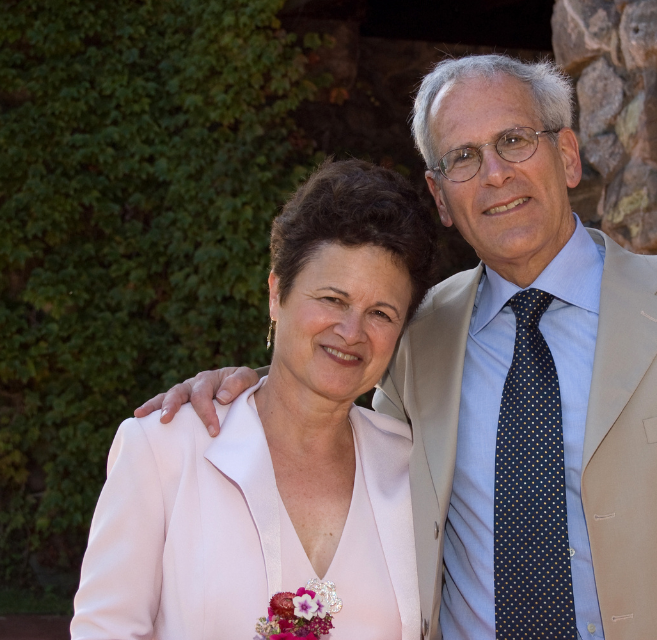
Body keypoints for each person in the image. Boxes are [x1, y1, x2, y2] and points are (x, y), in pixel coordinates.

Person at [139, 55, 657, 639]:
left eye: (515, 140)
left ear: (566, 156)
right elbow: (335, 439)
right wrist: (247, 388)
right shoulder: (419, 335)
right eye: (464, 158)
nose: (496, 174)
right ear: (441, 197)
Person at [71, 159, 439, 640]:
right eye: (331, 299)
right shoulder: (162, 451)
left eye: (381, 313)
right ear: (275, 293)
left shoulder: (416, 468)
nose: (352, 332)